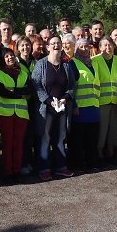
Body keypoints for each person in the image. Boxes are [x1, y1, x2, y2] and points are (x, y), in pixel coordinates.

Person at [31, 36, 76, 181]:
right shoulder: (41, 64)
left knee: (60, 138)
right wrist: (49, 101)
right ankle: (44, 168)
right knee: (45, 138)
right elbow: (36, 85)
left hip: (62, 108)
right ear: (47, 47)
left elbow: (72, 86)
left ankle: (61, 167)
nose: (56, 45)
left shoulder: (66, 65)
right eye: (53, 43)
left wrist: (66, 98)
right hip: (46, 109)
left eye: (58, 43)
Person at [0, 48, 32, 183]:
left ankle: (17, 170)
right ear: (2, 60)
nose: (10, 58)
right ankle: (8, 171)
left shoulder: (23, 73)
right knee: (8, 143)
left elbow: (29, 89)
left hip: (21, 114)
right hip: (4, 114)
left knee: (18, 143)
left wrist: (13, 91)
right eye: (6, 57)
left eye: (11, 55)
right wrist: (19, 93)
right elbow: (2, 92)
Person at [68, 39, 101, 172]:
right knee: (78, 139)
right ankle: (78, 164)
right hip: (80, 108)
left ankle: (91, 162)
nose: (84, 49)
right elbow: (71, 86)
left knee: (92, 138)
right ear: (76, 49)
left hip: (93, 106)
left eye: (86, 46)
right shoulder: (72, 63)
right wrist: (74, 104)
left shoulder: (93, 63)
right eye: (81, 47)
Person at [92, 36, 117, 165]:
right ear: (100, 48)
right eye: (104, 45)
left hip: (115, 100)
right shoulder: (95, 60)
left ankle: (111, 153)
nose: (108, 48)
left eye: (110, 45)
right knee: (102, 129)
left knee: (114, 128)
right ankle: (99, 154)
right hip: (101, 101)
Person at [15, 36, 37, 175]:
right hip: (20, 102)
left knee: (30, 134)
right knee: (21, 135)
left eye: (27, 45)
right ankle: (21, 163)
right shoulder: (15, 63)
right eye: (22, 45)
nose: (25, 48)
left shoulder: (36, 62)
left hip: (33, 102)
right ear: (17, 48)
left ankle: (28, 161)